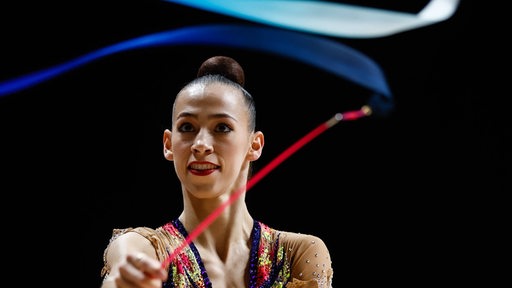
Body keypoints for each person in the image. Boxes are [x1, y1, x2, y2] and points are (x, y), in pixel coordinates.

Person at [100, 55, 334, 287]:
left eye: (222, 127)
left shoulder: (298, 254)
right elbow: (123, 270)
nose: (200, 144)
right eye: (187, 127)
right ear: (168, 144)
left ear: (255, 145)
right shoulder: (142, 249)